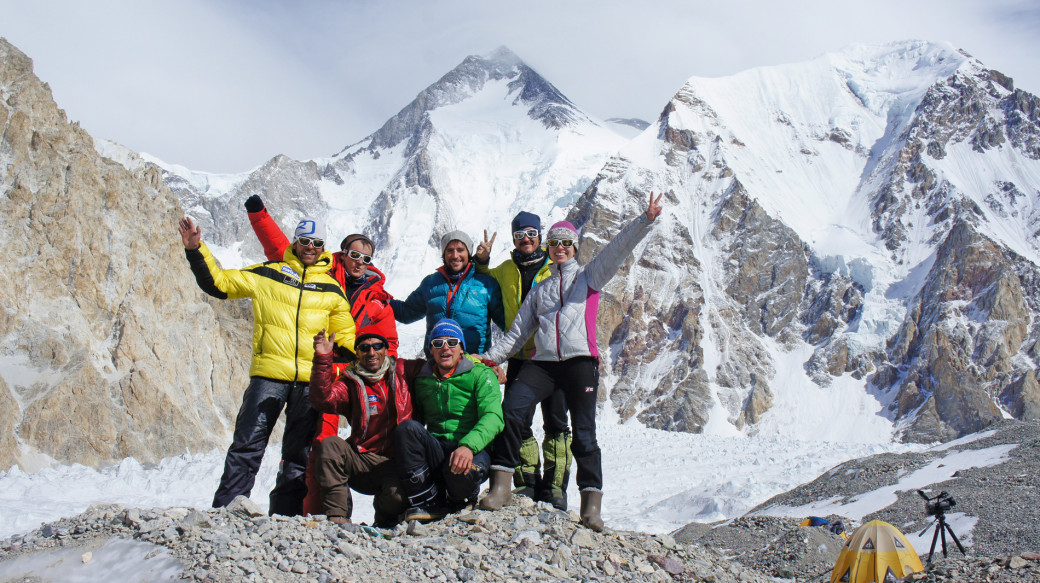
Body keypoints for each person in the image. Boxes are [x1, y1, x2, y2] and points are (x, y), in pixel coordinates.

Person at [477, 192, 665, 531]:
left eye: (566, 242)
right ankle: (502, 487)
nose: (559, 247)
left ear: (574, 247)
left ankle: (591, 507)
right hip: (544, 364)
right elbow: (517, 333)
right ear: (547, 247)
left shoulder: (589, 277)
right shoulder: (540, 291)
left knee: (584, 434)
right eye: (554, 242)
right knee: (511, 411)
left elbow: (617, 249)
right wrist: (489, 358)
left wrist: (644, 220)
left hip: (580, 364)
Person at [179, 215, 356, 516]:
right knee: (248, 443)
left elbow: (346, 339)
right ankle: (227, 511)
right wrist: (197, 250)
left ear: (324, 247)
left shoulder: (331, 289)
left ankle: (285, 516)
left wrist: (331, 363)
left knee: (297, 455)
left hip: (308, 383)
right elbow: (220, 284)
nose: (310, 248)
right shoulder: (269, 274)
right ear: (295, 242)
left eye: (316, 243)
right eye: (304, 241)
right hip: (269, 376)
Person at [243, 195, 398, 515]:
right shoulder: (323, 273)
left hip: (356, 378)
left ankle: (353, 510)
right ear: (342, 253)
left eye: (366, 258)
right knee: (315, 442)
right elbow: (280, 250)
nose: (360, 262)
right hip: (322, 371)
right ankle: (304, 513)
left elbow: (391, 344)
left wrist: (374, 371)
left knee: (371, 442)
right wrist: (259, 215)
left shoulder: (379, 298)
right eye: (354, 255)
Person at [473, 211, 572, 509]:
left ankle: (555, 488)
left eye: (531, 233)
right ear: (513, 239)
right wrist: (482, 261)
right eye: (519, 235)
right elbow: (484, 283)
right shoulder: (504, 270)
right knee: (518, 421)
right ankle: (527, 482)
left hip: (553, 356)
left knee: (556, 422)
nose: (526, 240)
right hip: (518, 355)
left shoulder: (557, 268)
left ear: (540, 236)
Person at [391, 319, 504, 522]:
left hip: (473, 449)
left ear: (461, 348)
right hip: (439, 447)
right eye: (438, 343)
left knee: (461, 472)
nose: (446, 348)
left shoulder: (481, 374)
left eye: (452, 342)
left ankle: (461, 500)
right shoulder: (424, 379)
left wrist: (468, 446)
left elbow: (493, 417)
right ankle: (428, 501)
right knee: (407, 430)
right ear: (431, 351)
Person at [310, 327, 422, 527]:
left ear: (386, 350)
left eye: (377, 346)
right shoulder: (350, 381)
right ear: (358, 353)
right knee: (330, 446)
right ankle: (338, 518)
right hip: (360, 460)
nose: (371, 352)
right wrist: (323, 359)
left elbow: (443, 362)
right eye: (364, 348)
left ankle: (384, 523)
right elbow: (323, 400)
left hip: (394, 462)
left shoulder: (405, 370)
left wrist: (486, 364)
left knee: (396, 498)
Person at [390, 231, 505, 355]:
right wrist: (380, 298)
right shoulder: (430, 283)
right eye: (450, 250)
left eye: (460, 250)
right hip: (437, 365)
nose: (455, 255)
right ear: (444, 255)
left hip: (475, 365)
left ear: (469, 253)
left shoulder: (486, 285)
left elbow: (506, 323)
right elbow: (407, 313)